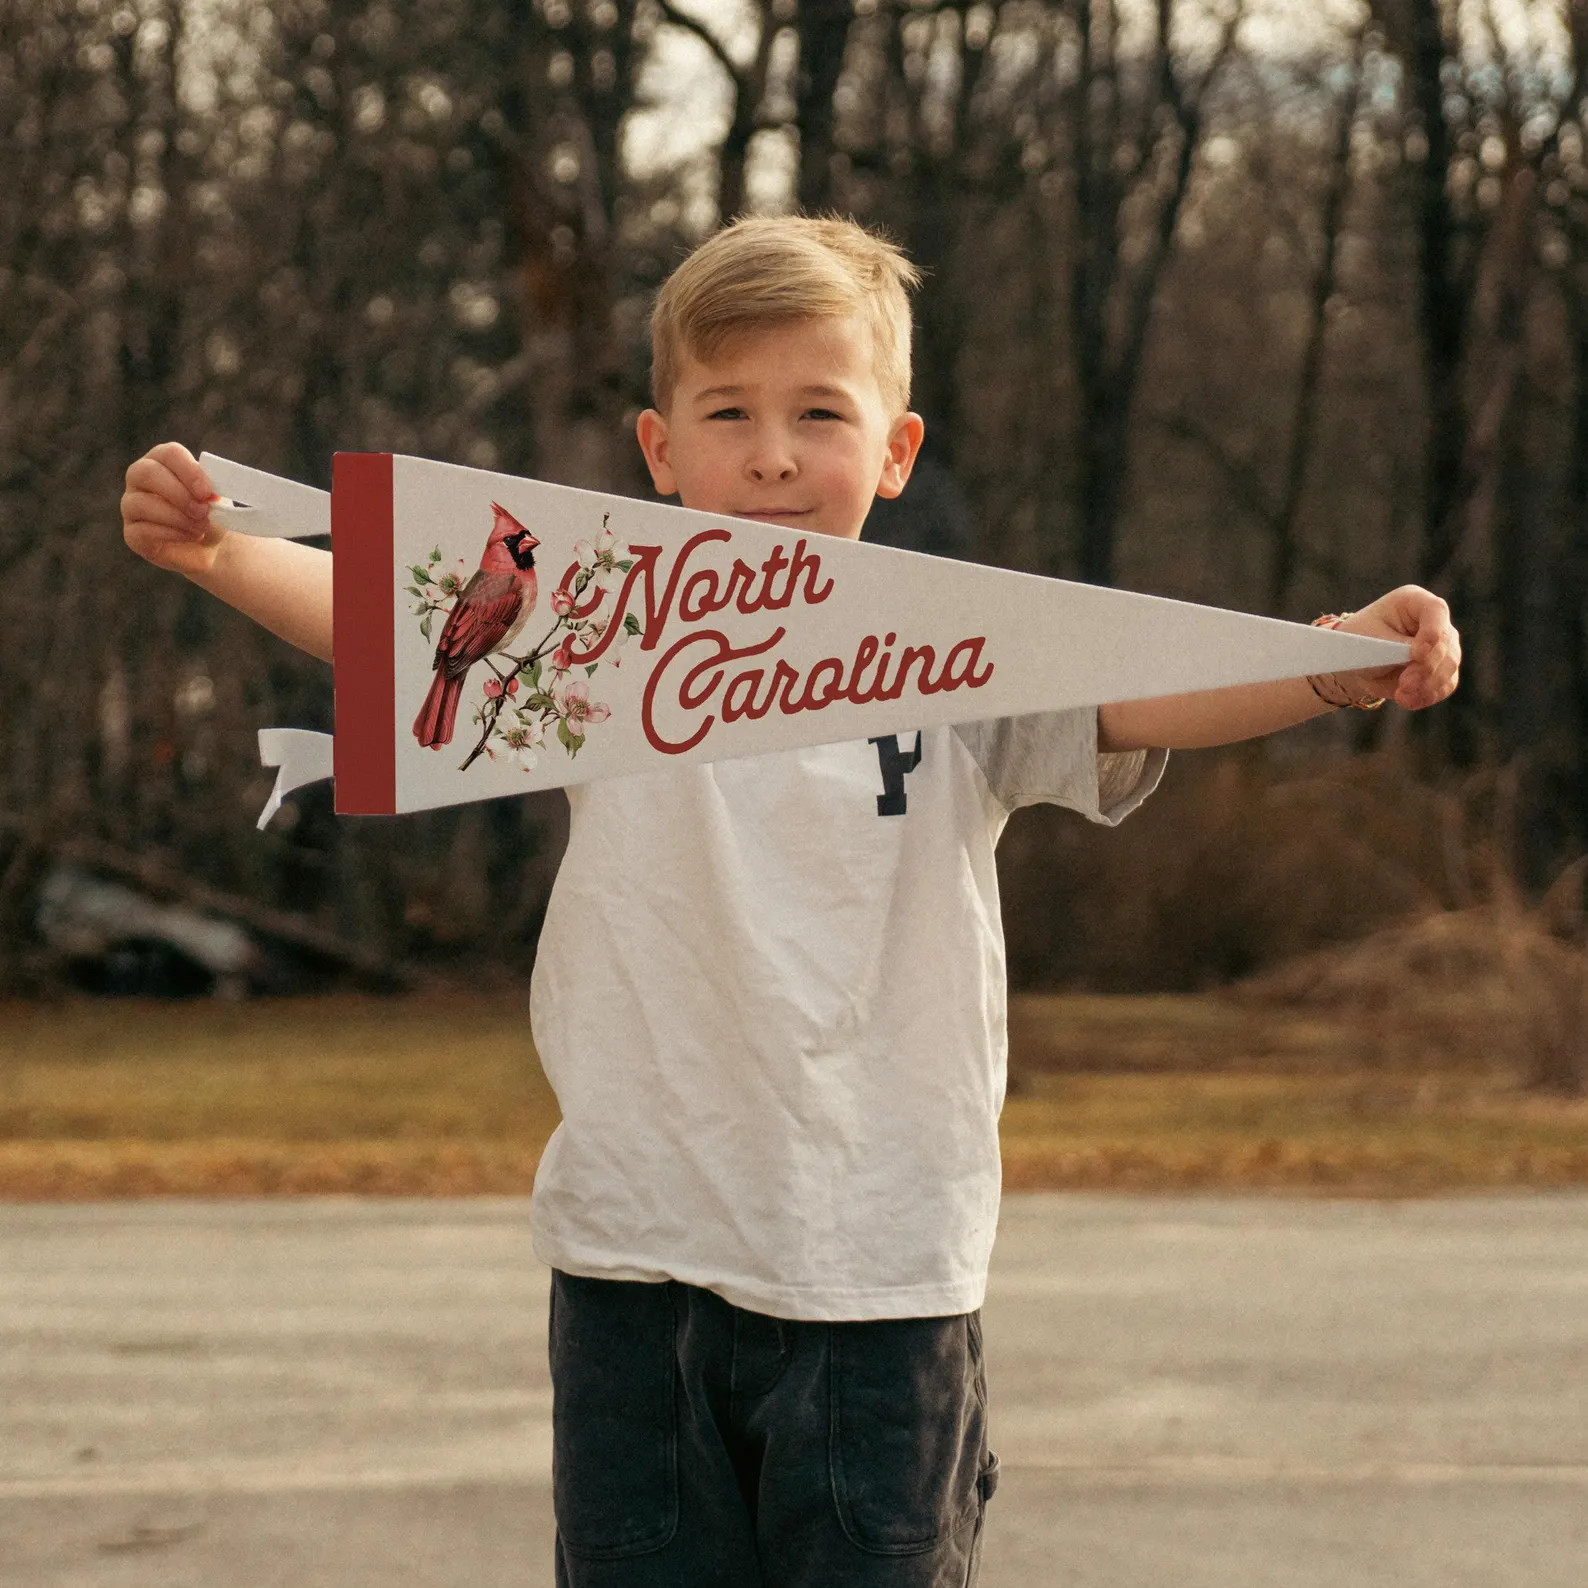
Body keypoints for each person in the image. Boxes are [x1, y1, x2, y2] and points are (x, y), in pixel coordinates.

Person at [122, 215, 1461, 1586]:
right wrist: (221, 556)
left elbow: (1143, 686)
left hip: (880, 1270)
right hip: (637, 1262)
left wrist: (1332, 661)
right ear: (660, 452)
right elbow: (400, 625)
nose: (771, 452)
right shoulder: (606, 640)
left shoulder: (953, 650)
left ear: (894, 452)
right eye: (730, 411)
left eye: (819, 412)